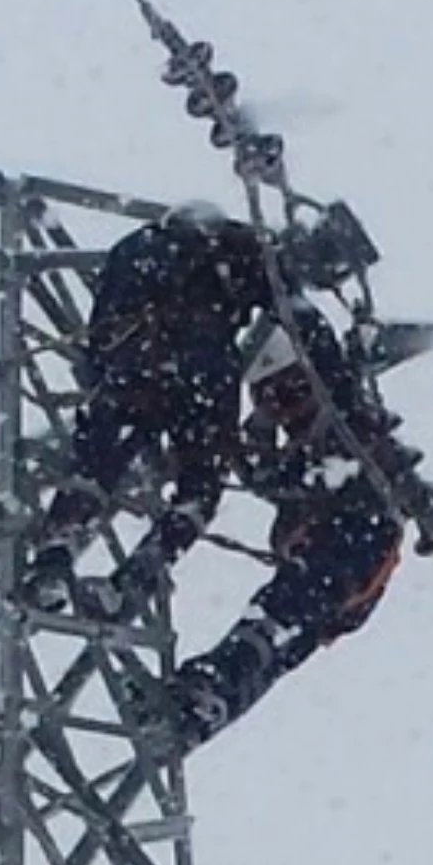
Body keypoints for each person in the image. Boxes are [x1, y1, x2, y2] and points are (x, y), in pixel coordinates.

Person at [122, 300, 406, 757]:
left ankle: (204, 697)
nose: (287, 412)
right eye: (272, 401)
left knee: (274, 624)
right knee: (275, 639)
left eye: (292, 394)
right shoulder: (304, 449)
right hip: (328, 562)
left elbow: (277, 468)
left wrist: (287, 300)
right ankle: (194, 708)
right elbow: (262, 472)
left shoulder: (346, 421)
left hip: (354, 548)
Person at [24, 206, 273, 614]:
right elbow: (287, 303)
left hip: (137, 364)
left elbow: (101, 326)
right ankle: (135, 576)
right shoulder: (239, 250)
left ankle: (54, 559)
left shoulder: (136, 248)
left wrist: (104, 378)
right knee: (199, 489)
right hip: (203, 372)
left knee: (97, 462)